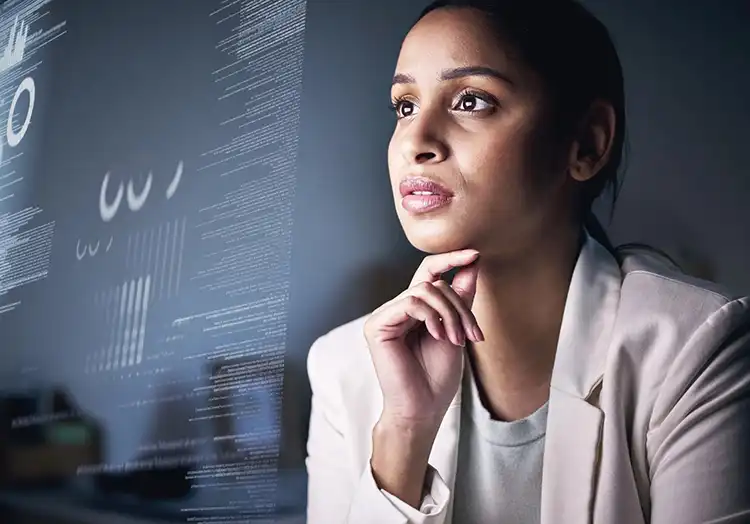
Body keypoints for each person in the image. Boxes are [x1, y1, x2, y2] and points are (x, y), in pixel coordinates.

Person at [304, 0, 750, 522]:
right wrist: (404, 431)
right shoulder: (342, 367)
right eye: (404, 106)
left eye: (471, 101)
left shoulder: (694, 349)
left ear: (586, 143)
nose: (416, 142)